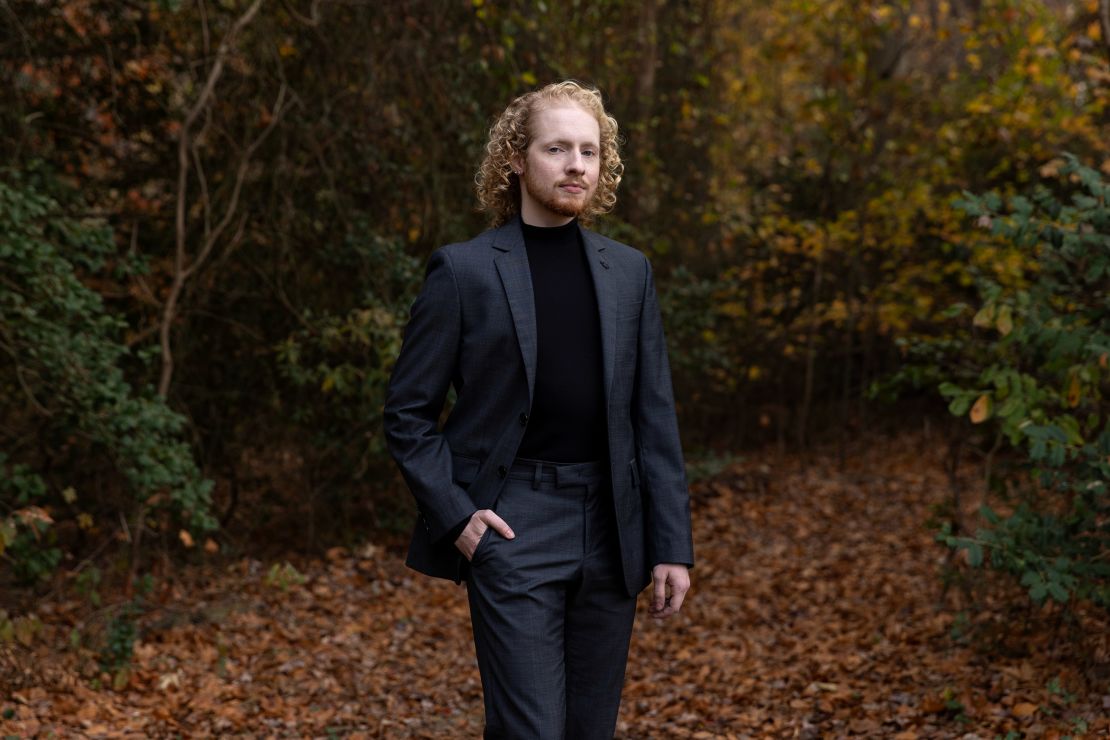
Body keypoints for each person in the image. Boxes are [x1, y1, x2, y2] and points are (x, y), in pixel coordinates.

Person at [382, 79, 694, 739]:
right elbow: (407, 414)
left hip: (613, 526)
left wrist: (671, 545)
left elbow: (653, 419)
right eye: (557, 149)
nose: (576, 164)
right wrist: (457, 517)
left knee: (589, 730)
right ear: (517, 160)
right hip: (513, 522)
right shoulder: (464, 271)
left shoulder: (629, 273)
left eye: (589, 150)